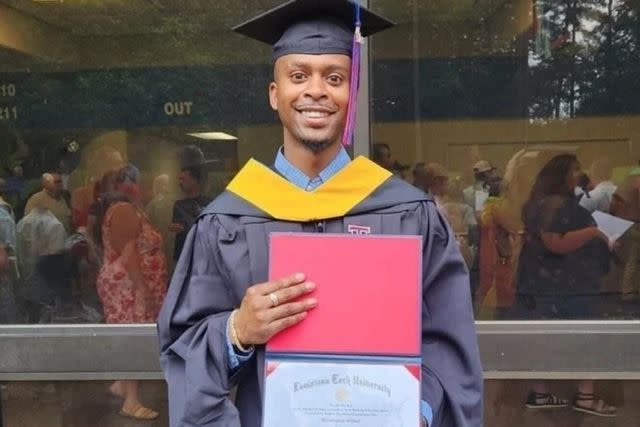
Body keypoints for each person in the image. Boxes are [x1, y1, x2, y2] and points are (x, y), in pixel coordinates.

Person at [158, 2, 482, 427]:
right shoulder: (226, 221)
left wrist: (417, 413)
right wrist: (236, 330)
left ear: (352, 92)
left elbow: (448, 342)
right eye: (298, 75)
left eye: (334, 77)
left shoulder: (409, 212)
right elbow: (184, 348)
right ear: (275, 94)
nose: (316, 90)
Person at [514, 154, 616, 417]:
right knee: (587, 339)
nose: (579, 175)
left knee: (542, 339)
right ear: (562, 176)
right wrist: (594, 232)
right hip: (566, 286)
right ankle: (585, 396)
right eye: (574, 170)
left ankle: (541, 393)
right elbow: (554, 241)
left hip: (540, 284)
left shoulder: (536, 205)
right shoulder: (558, 206)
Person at [94, 168, 168, 420]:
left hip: (131, 284)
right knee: (133, 336)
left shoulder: (131, 210)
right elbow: (128, 253)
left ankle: (122, 385)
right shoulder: (123, 211)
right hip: (128, 286)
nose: (139, 188)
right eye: (134, 183)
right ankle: (131, 401)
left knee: (132, 334)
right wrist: (142, 288)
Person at [169, 146, 213, 262]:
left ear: (194, 180)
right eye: (179, 179)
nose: (179, 183)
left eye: (182, 179)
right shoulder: (178, 205)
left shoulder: (210, 203)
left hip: (204, 255)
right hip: (184, 256)